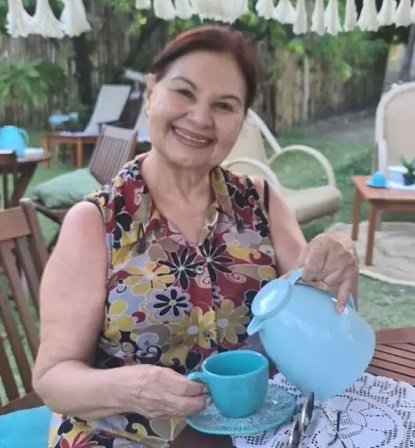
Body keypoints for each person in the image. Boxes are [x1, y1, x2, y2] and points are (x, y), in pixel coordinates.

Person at [33, 25, 358, 448]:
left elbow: (320, 313)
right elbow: (53, 380)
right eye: (184, 92)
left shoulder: (260, 202)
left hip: (254, 434)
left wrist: (337, 260)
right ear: (151, 93)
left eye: (224, 105)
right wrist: (131, 388)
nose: (201, 118)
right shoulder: (95, 223)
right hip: (123, 435)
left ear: (241, 120)